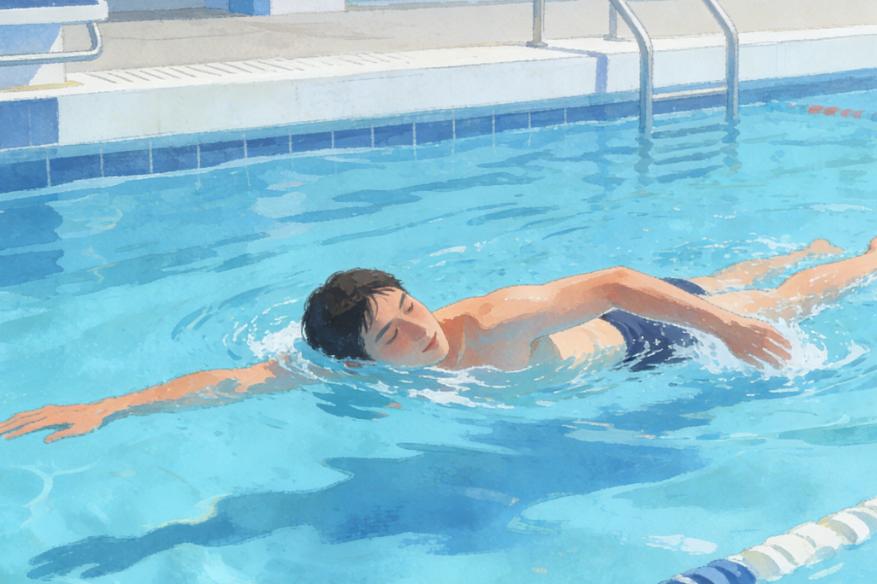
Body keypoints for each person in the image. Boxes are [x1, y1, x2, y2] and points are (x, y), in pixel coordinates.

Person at [2, 237, 876, 444]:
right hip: (621, 321)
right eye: (393, 332)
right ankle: (779, 257)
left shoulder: (491, 323)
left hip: (642, 335)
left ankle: (858, 258)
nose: (421, 327)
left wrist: (725, 328)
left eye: (411, 306)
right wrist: (108, 405)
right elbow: (240, 383)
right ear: (358, 358)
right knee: (729, 281)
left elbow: (614, 283)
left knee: (781, 303)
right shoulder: (349, 364)